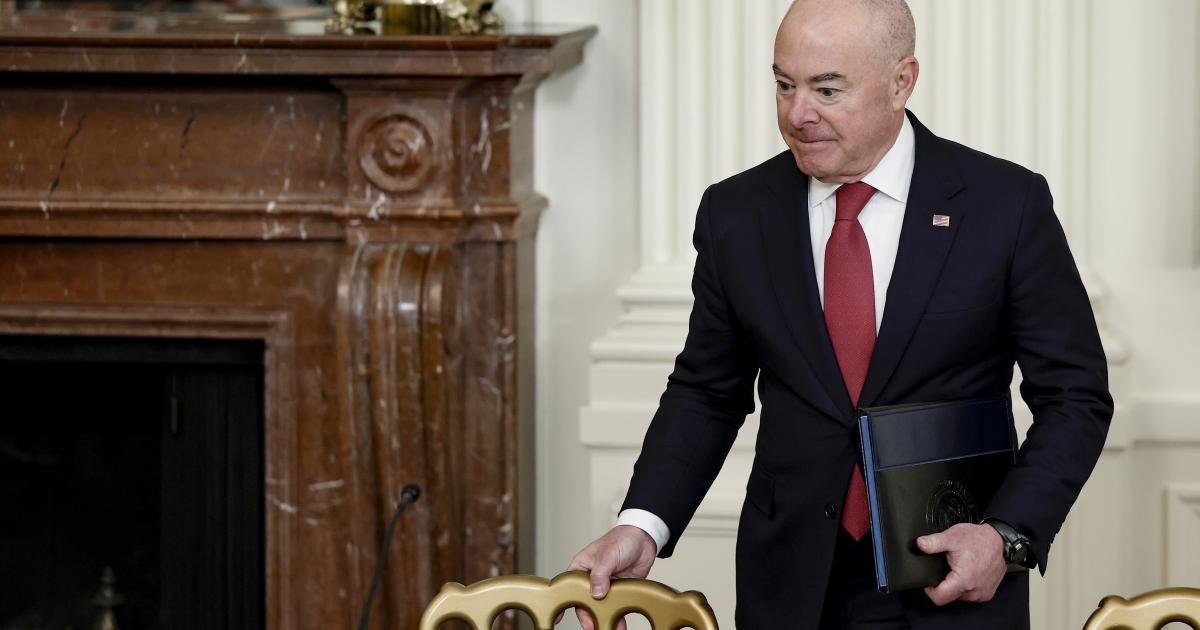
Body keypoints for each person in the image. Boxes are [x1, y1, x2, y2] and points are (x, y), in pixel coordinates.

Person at [565, 0, 1113, 628]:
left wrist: (1006, 534)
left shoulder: (1004, 205)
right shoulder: (735, 214)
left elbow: (1075, 396)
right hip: (791, 590)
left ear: (902, 81)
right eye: (784, 85)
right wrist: (642, 524)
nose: (798, 114)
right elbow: (707, 391)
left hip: (953, 585)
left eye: (827, 90)